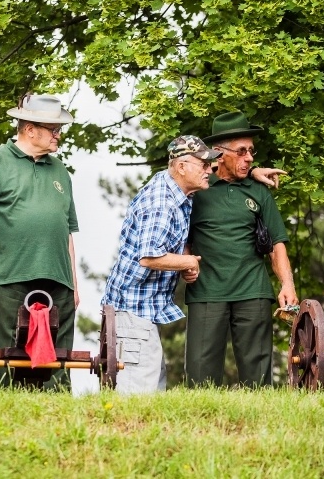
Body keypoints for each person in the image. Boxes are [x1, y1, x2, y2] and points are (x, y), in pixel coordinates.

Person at [0, 93, 79, 389]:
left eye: (59, 129)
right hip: (7, 278)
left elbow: (67, 232)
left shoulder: (61, 171)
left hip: (58, 282)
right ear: (29, 129)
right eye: (53, 129)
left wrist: (74, 284)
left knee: (58, 368)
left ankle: (58, 420)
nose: (58, 135)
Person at [184, 111, 298, 387]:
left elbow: (276, 245)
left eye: (252, 152)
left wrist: (287, 284)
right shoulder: (196, 187)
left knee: (258, 381)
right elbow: (178, 231)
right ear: (219, 153)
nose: (249, 158)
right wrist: (185, 259)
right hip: (206, 292)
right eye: (242, 151)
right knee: (200, 380)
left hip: (253, 292)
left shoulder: (259, 191)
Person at [101, 135, 222, 394]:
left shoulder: (174, 189)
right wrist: (188, 261)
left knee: (152, 388)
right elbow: (149, 257)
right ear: (181, 166)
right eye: (203, 165)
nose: (210, 170)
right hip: (132, 312)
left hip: (139, 312)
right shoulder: (162, 203)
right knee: (137, 397)